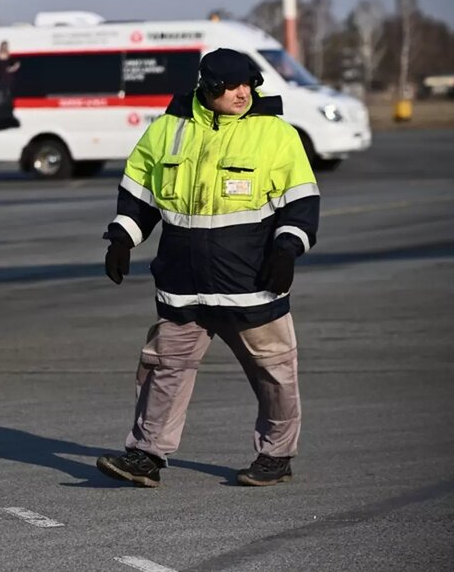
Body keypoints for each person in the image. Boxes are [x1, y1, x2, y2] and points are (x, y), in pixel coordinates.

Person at [96, 48, 320, 488]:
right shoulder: (166, 130)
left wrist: (287, 250)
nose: (244, 94)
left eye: (249, 85)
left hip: (251, 285)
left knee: (274, 373)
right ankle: (146, 455)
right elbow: (140, 195)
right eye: (233, 86)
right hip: (183, 284)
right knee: (163, 369)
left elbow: (302, 201)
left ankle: (276, 456)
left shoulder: (275, 134)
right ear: (209, 87)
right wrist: (122, 237)